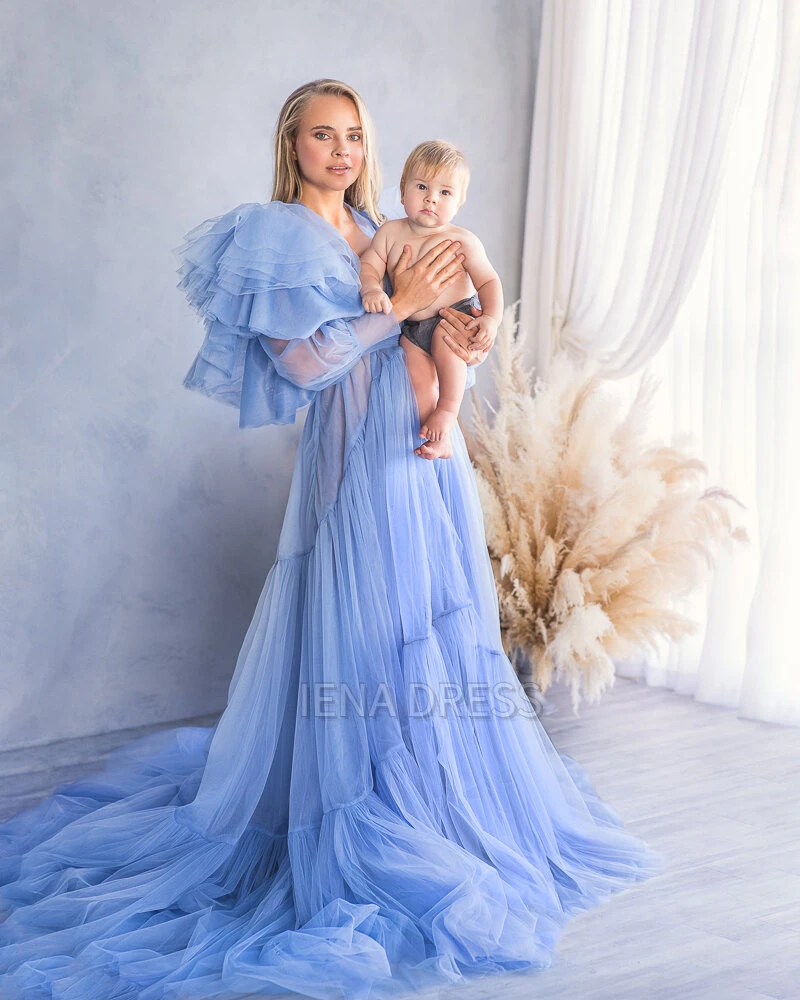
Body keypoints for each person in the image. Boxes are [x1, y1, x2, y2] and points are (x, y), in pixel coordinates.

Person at [0, 79, 663, 1000]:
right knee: (367, 625)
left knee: (425, 622)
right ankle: (360, 816)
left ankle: (434, 810)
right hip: (356, 458)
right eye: (324, 135)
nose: (344, 151)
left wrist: (460, 331)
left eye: (354, 135)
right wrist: (395, 311)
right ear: (293, 143)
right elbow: (302, 362)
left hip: (419, 448)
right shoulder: (278, 235)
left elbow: (430, 318)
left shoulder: (379, 227)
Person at [360, 140, 504, 460]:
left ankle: (447, 415)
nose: (431, 198)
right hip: (412, 328)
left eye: (445, 192)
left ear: (460, 201)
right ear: (403, 190)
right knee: (417, 378)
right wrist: (371, 288)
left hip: (452, 319)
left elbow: (489, 281)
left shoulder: (462, 240)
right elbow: (369, 264)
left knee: (446, 347)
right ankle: (431, 433)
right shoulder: (389, 233)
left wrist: (490, 319)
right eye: (422, 186)